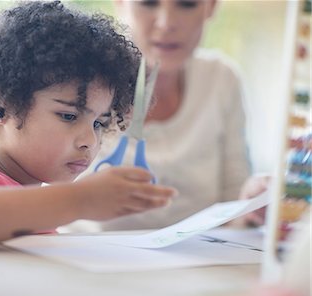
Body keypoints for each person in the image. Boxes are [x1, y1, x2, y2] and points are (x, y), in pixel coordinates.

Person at [0, 0, 177, 249]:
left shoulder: (33, 197)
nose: (90, 140)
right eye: (69, 116)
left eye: (98, 123)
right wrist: (83, 200)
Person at [65, 0, 252, 232]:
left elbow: (235, 204)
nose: (166, 24)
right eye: (148, 3)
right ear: (120, 3)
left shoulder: (222, 80)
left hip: (197, 263)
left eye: (187, 4)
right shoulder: (78, 82)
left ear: (211, 7)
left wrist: (253, 205)